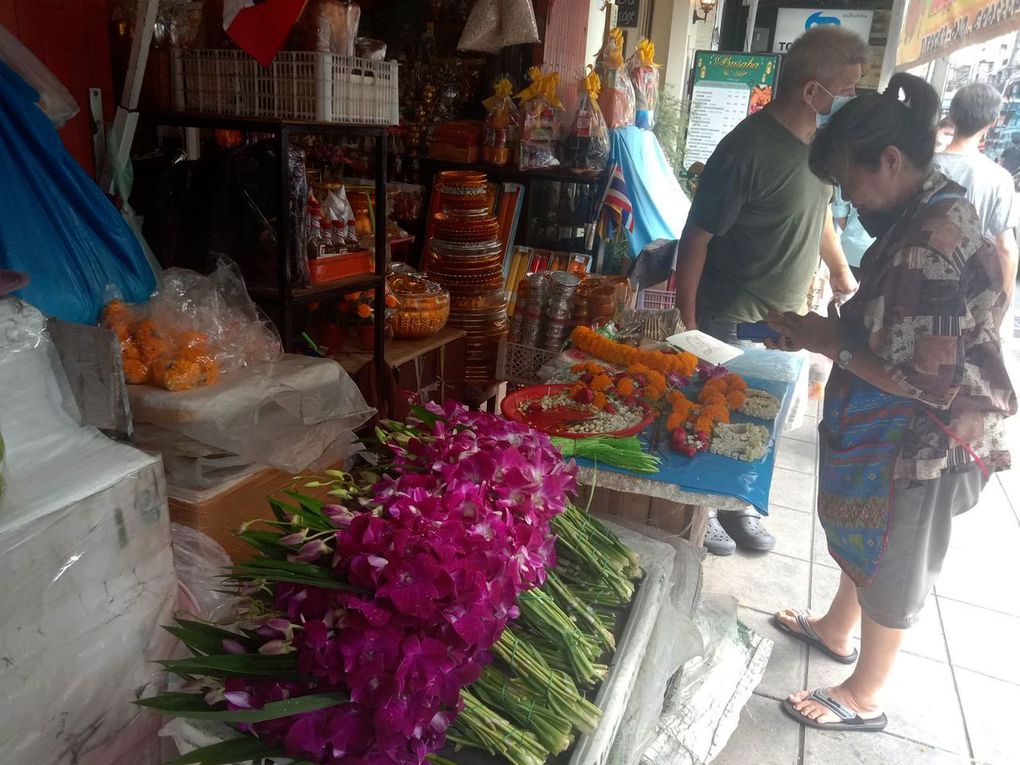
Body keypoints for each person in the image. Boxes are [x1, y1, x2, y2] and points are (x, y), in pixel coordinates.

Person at [765, 73, 1015, 733]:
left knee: (897, 552)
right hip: (903, 423)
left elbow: (926, 382)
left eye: (851, 185)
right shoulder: (920, 208)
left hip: (933, 436)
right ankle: (837, 628)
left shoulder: (932, 240)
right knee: (869, 532)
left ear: (892, 161)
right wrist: (836, 331)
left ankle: (866, 693)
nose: (847, 202)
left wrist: (832, 345)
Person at [673, 25, 865, 555]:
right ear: (812, 92)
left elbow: (818, 211)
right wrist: (688, 330)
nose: (850, 100)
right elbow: (695, 241)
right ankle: (700, 508)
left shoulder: (819, 149)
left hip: (784, 319)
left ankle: (734, 506)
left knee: (759, 419)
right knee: (710, 415)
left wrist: (843, 272)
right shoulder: (746, 149)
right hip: (729, 315)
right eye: (846, 88)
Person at [934, 83, 1018, 304]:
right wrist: (1004, 301)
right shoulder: (999, 178)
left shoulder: (922, 167)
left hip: (914, 277)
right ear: (991, 123)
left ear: (951, 115)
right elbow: (1006, 248)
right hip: (967, 289)